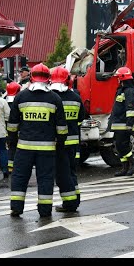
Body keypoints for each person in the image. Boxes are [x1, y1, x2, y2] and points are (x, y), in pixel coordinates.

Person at [7, 63, 67, 218]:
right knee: (45, 179)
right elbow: (62, 128)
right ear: (48, 79)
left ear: (31, 77)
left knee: (19, 177)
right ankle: (45, 211)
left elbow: (12, 125)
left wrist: (12, 143)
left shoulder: (21, 96)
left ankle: (16, 207)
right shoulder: (55, 99)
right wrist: (59, 145)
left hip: (24, 148)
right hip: (47, 149)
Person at [50, 66, 85, 212]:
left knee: (62, 175)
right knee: (71, 172)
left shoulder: (52, 97)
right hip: (73, 142)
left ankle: (69, 204)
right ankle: (75, 199)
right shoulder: (76, 98)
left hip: (59, 143)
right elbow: (80, 119)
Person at [109, 66, 134, 177]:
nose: (117, 79)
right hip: (118, 123)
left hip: (124, 124)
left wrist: (130, 124)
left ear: (122, 78)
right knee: (118, 146)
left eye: (118, 77)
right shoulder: (121, 90)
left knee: (123, 146)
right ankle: (125, 167)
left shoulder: (129, 91)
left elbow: (131, 109)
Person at [5, 81, 21, 173]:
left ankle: (10, 167)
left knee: (11, 147)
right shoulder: (19, 101)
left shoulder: (5, 101)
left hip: (7, 130)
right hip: (18, 130)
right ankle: (17, 167)